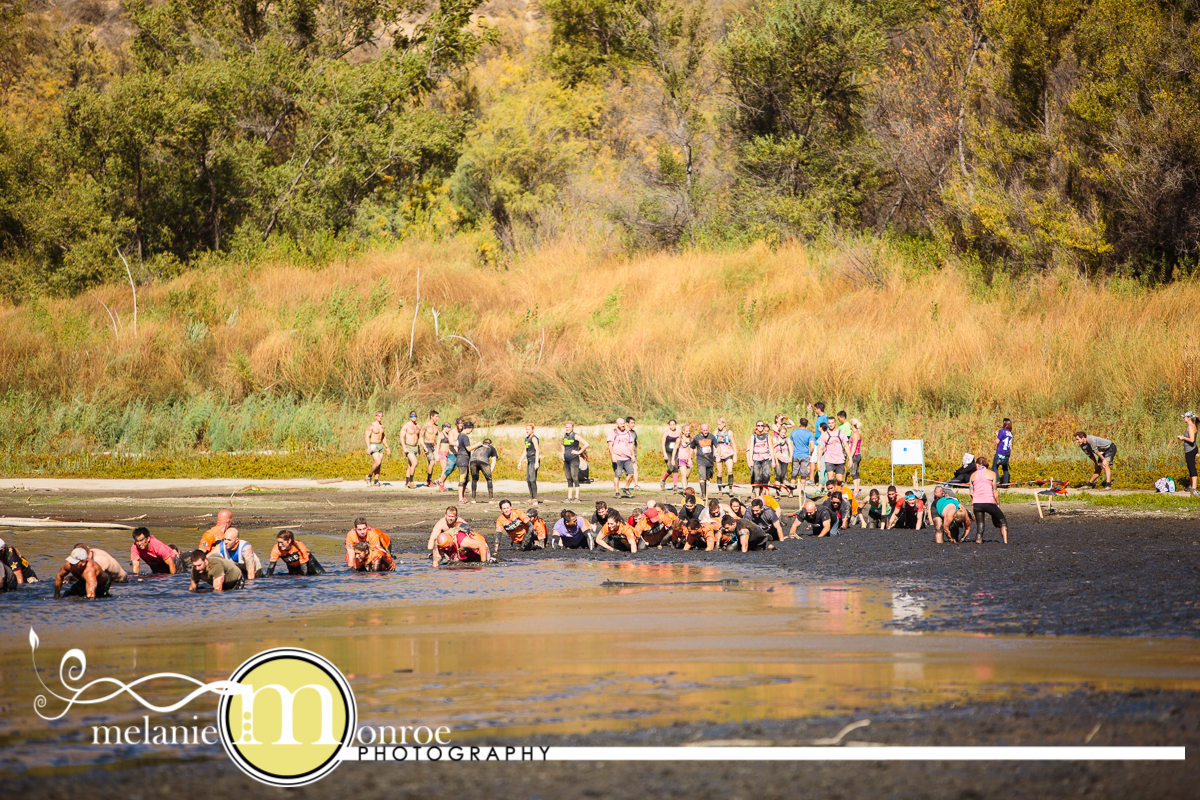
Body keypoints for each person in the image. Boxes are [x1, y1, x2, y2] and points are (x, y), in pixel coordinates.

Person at [969, 455, 1009, 544]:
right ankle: (1005, 542)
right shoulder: (992, 474)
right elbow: (995, 491)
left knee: (980, 525)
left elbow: (971, 492)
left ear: (977, 464)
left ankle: (978, 540)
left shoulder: (972, 475)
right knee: (1002, 521)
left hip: (977, 503)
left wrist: (975, 500)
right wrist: (998, 503)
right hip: (989, 502)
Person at [606, 418, 637, 498]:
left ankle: (626, 488)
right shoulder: (613, 433)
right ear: (617, 424)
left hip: (627, 457)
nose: (622, 425)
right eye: (621, 423)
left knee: (631, 474)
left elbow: (631, 444)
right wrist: (613, 455)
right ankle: (617, 492)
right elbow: (610, 445)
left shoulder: (628, 433)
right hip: (617, 457)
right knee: (618, 475)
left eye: (623, 423)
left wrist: (633, 455)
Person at [561, 421, 589, 502]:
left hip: (574, 459)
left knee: (574, 477)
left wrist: (579, 452)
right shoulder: (564, 436)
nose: (567, 429)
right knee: (569, 478)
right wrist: (563, 453)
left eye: (569, 427)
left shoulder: (575, 436)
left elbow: (586, 444)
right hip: (566, 460)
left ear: (572, 428)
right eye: (566, 427)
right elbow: (562, 444)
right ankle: (569, 497)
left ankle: (576, 497)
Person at [788, 418, 816, 497]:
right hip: (805, 455)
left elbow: (791, 444)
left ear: (799, 423)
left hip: (795, 455)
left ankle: (791, 492)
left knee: (794, 474)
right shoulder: (809, 434)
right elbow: (812, 446)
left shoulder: (794, 432)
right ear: (807, 425)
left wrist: (791, 454)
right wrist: (810, 453)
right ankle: (802, 492)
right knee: (803, 474)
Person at [817, 420, 850, 485]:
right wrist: (818, 461)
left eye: (832, 423)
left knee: (839, 479)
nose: (831, 424)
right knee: (830, 477)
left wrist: (850, 458)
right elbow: (820, 449)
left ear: (835, 423)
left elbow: (846, 446)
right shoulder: (824, 435)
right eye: (829, 423)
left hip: (839, 459)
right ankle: (831, 492)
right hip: (829, 458)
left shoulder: (841, 433)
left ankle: (837, 490)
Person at [746, 420, 774, 498]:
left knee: (766, 475)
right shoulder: (753, 436)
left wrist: (773, 460)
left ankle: (764, 493)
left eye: (762, 425)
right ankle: (757, 495)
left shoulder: (767, 436)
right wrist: (750, 460)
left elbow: (771, 448)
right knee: (757, 477)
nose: (760, 427)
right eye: (758, 425)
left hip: (766, 458)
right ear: (756, 427)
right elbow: (751, 448)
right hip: (756, 458)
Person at [691, 422, 718, 501]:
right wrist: (690, 458)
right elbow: (691, 448)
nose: (705, 432)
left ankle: (705, 492)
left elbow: (717, 446)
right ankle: (703, 494)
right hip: (701, 460)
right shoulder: (697, 438)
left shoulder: (712, 437)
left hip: (709, 460)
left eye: (706, 430)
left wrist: (718, 455)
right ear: (701, 430)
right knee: (702, 477)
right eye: (704, 430)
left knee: (708, 477)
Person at [468, 437, 499, 502]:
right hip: (484, 461)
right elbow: (494, 461)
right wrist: (490, 471)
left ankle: (473, 499)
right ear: (490, 444)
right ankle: (491, 499)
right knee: (489, 479)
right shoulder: (491, 448)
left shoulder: (478, 447)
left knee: (474, 480)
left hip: (473, 461)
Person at [365, 411, 391, 486]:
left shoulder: (382, 426)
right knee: (377, 462)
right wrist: (368, 447)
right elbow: (367, 436)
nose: (380, 417)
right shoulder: (371, 426)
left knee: (379, 464)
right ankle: (369, 476)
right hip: (374, 445)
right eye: (378, 416)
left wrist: (387, 447)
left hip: (380, 445)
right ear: (375, 416)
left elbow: (383, 437)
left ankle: (376, 481)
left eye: (381, 416)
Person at [713, 418, 737, 494]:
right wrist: (714, 453)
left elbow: (733, 443)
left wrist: (735, 455)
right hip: (719, 453)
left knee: (730, 470)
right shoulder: (715, 432)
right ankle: (720, 490)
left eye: (720, 424)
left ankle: (730, 489)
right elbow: (713, 444)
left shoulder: (729, 432)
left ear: (724, 424)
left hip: (728, 452)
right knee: (719, 472)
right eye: (717, 424)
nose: (718, 426)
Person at [399, 410, 422, 488]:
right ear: (409, 417)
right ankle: (411, 481)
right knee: (414, 463)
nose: (414, 417)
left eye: (415, 416)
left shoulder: (418, 426)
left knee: (410, 465)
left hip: (415, 447)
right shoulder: (406, 426)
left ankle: (406, 483)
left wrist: (419, 447)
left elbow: (419, 437)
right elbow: (401, 437)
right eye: (412, 416)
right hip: (408, 447)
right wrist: (404, 447)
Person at [520, 424, 542, 504]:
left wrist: (536, 462)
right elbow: (525, 451)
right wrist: (520, 461)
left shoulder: (534, 438)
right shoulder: (526, 439)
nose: (527, 430)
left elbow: (537, 449)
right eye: (526, 429)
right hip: (529, 460)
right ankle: (531, 497)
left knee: (532, 479)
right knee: (528, 479)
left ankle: (535, 498)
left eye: (529, 429)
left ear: (532, 429)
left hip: (534, 459)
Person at [421, 409, 441, 487]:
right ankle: (429, 480)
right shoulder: (426, 425)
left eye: (437, 417)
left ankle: (429, 479)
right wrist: (424, 446)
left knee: (433, 462)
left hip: (433, 445)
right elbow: (420, 436)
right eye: (436, 417)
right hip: (427, 444)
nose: (437, 418)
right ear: (431, 416)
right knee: (432, 461)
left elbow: (439, 436)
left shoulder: (436, 426)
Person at [454, 418, 473, 502]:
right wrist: (478, 445)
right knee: (462, 479)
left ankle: (463, 497)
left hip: (463, 459)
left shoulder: (460, 435)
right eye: (471, 429)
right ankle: (460, 498)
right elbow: (468, 448)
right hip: (462, 459)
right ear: (469, 428)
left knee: (466, 479)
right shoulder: (464, 436)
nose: (471, 431)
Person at [660, 419, 682, 492]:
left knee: (675, 468)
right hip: (668, 453)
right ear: (669, 425)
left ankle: (675, 485)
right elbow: (662, 444)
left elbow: (680, 442)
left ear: (675, 425)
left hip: (675, 453)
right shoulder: (666, 433)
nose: (672, 426)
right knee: (670, 468)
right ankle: (663, 480)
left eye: (673, 424)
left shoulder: (678, 434)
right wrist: (664, 454)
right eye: (671, 425)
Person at [772, 425, 794, 495]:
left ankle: (782, 486)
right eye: (782, 432)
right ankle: (777, 492)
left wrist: (790, 457)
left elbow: (790, 448)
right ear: (778, 432)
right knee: (778, 474)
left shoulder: (787, 440)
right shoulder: (775, 439)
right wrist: (776, 444)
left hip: (785, 458)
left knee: (783, 474)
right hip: (777, 458)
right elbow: (771, 448)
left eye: (784, 432)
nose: (783, 434)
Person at [1179, 412, 1198, 496]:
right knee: (1190, 467)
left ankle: (1194, 488)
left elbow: (1192, 439)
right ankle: (1191, 486)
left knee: (1192, 468)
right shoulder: (1192, 426)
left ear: (1189, 418)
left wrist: (1182, 438)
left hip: (1190, 450)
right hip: (1190, 449)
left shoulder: (1190, 427)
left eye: (1185, 417)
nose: (1184, 418)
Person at [675, 424, 694, 495]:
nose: (688, 432)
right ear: (683, 431)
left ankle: (686, 489)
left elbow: (693, 449)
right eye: (686, 431)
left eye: (689, 431)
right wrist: (672, 459)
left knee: (687, 476)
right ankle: (685, 490)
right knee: (683, 475)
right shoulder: (679, 439)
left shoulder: (691, 439)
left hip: (689, 459)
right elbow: (675, 449)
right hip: (681, 458)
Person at [993, 418, 1013, 488]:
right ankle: (1005, 483)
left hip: (1000, 452)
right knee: (1005, 468)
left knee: (994, 467)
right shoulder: (1010, 433)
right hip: (1007, 452)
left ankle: (997, 481)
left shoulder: (1002, 431)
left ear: (1004, 424)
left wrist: (997, 434)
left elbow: (997, 442)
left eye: (1002, 423)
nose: (1001, 424)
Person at [435, 423, 455, 491]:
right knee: (444, 470)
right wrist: (436, 455)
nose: (448, 429)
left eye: (449, 427)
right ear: (443, 427)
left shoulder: (448, 434)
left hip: (447, 453)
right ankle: (442, 484)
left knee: (447, 470)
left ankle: (440, 481)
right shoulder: (441, 434)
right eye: (447, 427)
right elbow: (437, 445)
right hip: (442, 453)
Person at [847, 419, 864, 495]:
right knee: (856, 473)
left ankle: (856, 490)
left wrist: (850, 457)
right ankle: (857, 489)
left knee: (853, 473)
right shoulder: (858, 433)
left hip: (855, 455)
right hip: (858, 454)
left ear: (852, 425)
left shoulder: (855, 434)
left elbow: (854, 446)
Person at [627, 416, 642, 489]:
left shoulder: (634, 432)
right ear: (627, 423)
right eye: (632, 423)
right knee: (629, 472)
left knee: (635, 468)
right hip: (626, 454)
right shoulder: (625, 433)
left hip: (633, 454)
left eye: (634, 423)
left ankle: (636, 484)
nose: (633, 424)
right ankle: (627, 486)